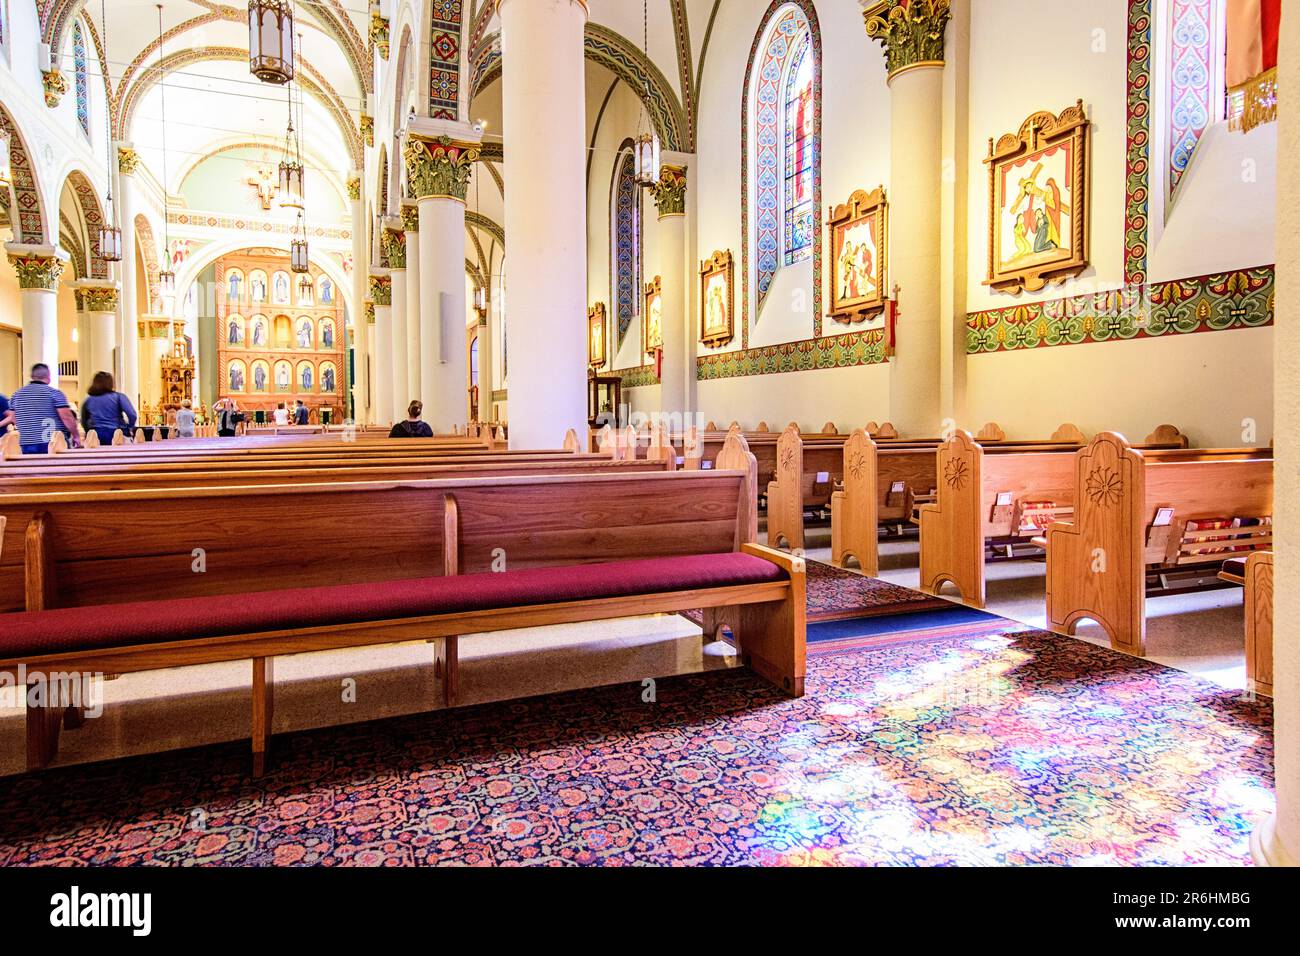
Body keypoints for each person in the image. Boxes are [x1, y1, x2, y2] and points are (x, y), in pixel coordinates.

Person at [9, 364, 80, 453]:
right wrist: (76, 436)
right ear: (48, 376)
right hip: (52, 442)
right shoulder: (54, 393)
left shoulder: (16, 395)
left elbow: (13, 417)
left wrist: (27, 428)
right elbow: (66, 417)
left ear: (32, 376)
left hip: (26, 442)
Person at [80, 371, 138, 446]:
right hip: (117, 433)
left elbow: (84, 420)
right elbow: (132, 415)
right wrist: (130, 427)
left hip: (97, 434)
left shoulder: (88, 400)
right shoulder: (119, 397)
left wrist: (88, 432)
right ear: (110, 383)